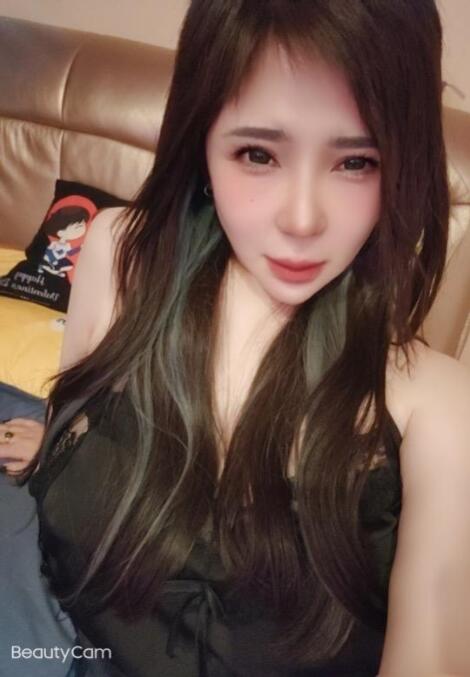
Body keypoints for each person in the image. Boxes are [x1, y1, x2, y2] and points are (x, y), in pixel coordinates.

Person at [13, 0, 470, 675]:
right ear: (202, 139)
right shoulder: (119, 254)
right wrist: (60, 446)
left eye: (357, 162)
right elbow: (75, 420)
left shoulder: (440, 412)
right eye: (258, 154)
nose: (303, 220)